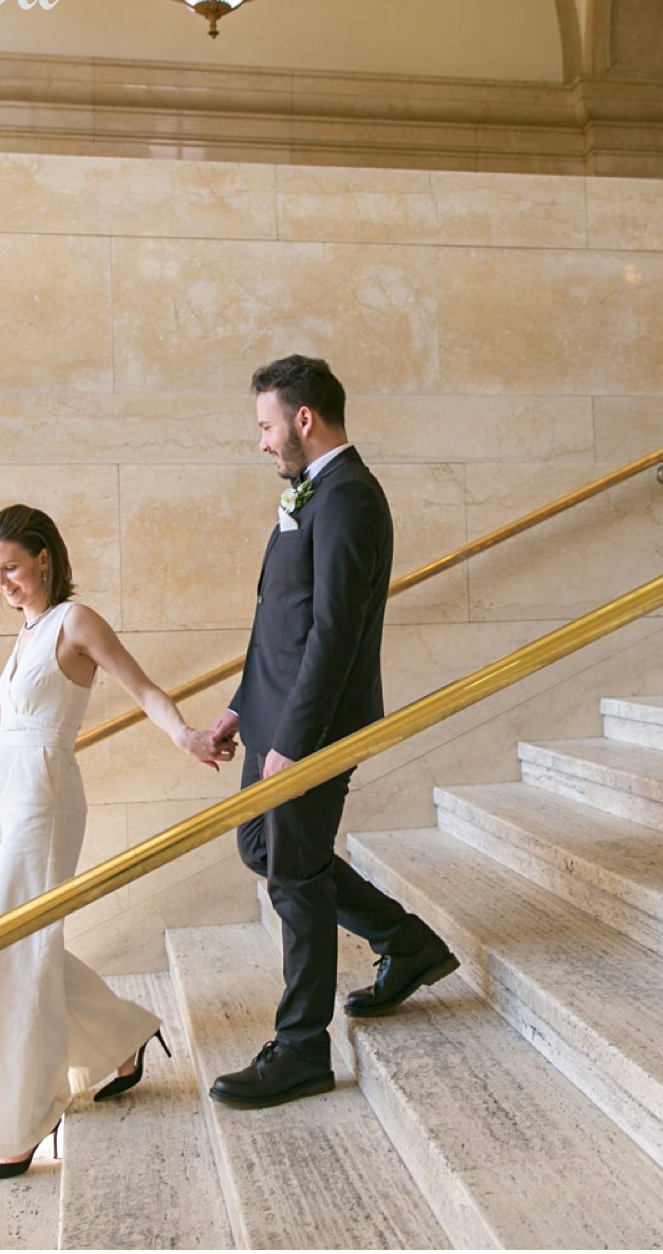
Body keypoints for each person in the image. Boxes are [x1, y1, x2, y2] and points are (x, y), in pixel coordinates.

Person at [204, 355, 458, 1110]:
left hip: (311, 727)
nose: (260, 442)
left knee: (292, 874)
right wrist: (240, 709)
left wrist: (296, 740)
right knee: (266, 849)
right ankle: (406, 941)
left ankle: (301, 1047)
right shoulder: (310, 493)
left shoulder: (348, 497)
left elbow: (334, 633)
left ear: (303, 419)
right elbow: (276, 619)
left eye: (264, 424)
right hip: (273, 715)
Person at [0, 503, 232, 1179]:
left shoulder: (76, 621)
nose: (2, 582)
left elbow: (143, 687)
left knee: (9, 948)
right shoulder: (24, 633)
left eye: (10, 566)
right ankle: (124, 1035)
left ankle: (23, 1120)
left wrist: (187, 735)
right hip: (7, 793)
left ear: (44, 556)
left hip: (46, 796)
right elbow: (18, 723)